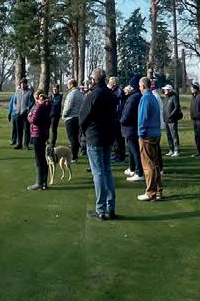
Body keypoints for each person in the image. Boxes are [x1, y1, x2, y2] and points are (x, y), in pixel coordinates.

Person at [78, 70, 120, 219]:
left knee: (98, 173)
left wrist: (84, 132)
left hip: (95, 136)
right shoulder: (111, 95)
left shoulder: (92, 95)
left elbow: (82, 118)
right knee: (107, 171)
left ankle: (101, 210)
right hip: (108, 136)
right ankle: (110, 207)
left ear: (94, 80)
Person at [136, 77, 164, 201]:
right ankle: (158, 190)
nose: (139, 88)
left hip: (147, 135)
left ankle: (150, 192)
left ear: (143, 86)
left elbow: (143, 118)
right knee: (155, 163)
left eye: (139, 86)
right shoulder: (153, 97)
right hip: (155, 133)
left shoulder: (145, 98)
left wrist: (140, 133)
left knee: (148, 165)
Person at [27, 90, 52, 190]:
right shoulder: (46, 106)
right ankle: (44, 182)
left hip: (37, 134)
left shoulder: (39, 106)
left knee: (39, 159)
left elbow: (32, 119)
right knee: (43, 159)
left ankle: (39, 183)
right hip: (43, 133)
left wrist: (29, 116)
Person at [120, 84, 143, 182]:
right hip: (132, 127)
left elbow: (127, 113)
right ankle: (133, 168)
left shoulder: (133, 98)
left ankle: (139, 172)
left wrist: (121, 120)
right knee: (131, 150)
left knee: (135, 151)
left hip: (131, 128)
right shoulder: (136, 96)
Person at [61, 77, 84, 161]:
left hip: (70, 118)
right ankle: (75, 154)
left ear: (71, 84)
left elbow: (68, 107)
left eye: (68, 84)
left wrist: (64, 115)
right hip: (77, 117)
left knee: (72, 138)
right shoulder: (80, 93)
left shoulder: (72, 94)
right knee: (75, 137)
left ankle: (74, 156)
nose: (67, 86)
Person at [161, 84, 183, 157]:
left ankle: (176, 150)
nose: (164, 90)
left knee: (174, 135)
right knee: (169, 135)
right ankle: (171, 149)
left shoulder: (174, 97)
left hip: (172, 120)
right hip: (166, 120)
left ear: (169, 90)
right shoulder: (165, 98)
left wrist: (171, 115)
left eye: (166, 89)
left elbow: (176, 107)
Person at [15, 78, 33, 150]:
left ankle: (26, 144)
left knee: (26, 129)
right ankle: (19, 144)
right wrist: (16, 109)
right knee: (18, 129)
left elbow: (31, 102)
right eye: (21, 84)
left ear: (26, 84)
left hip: (25, 113)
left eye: (23, 84)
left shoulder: (29, 92)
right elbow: (15, 101)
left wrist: (27, 109)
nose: (22, 85)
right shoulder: (18, 92)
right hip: (18, 113)